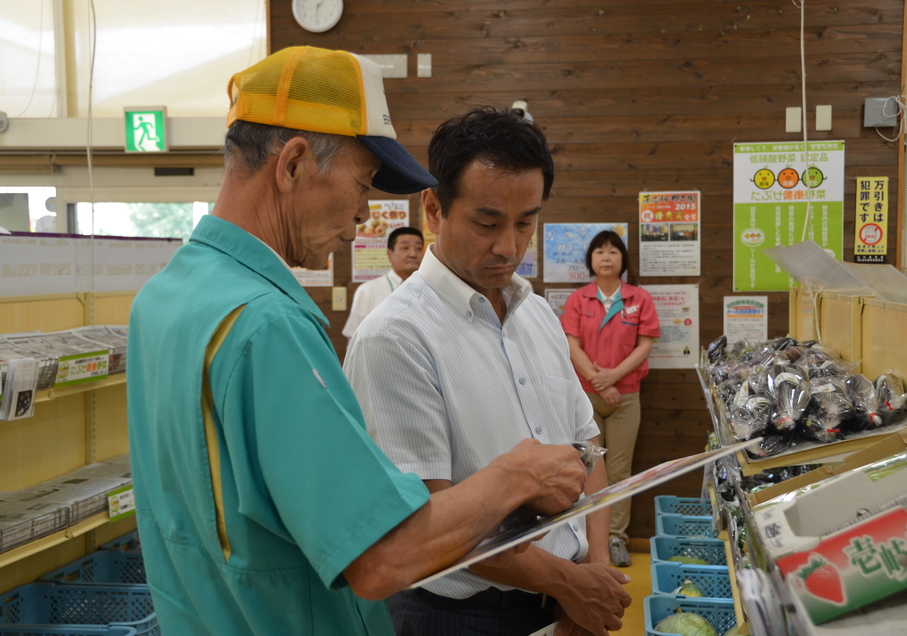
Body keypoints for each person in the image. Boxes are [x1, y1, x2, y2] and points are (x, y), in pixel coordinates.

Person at [126, 48, 589, 636]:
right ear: (293, 164)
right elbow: (381, 557)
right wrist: (517, 476)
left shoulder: (166, 299)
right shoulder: (268, 325)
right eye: (362, 184)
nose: (364, 216)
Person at [344, 107, 632, 636]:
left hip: (565, 599)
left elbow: (587, 449)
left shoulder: (537, 313)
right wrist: (566, 585)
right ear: (434, 207)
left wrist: (590, 573)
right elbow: (423, 525)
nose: (509, 246)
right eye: (487, 221)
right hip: (459, 615)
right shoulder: (395, 337)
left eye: (526, 221)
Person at [558, 230, 661, 567]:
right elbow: (570, 345)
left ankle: (616, 540)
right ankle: (589, 542)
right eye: (599, 251)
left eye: (613, 251)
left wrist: (613, 377)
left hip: (625, 398)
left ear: (622, 260)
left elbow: (645, 345)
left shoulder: (638, 298)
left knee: (619, 471)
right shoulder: (578, 299)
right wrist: (599, 382)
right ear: (590, 260)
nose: (606, 257)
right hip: (584, 399)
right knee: (586, 470)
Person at [342, 227, 424, 340]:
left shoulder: (430, 289)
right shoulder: (368, 291)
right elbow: (353, 337)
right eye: (405, 248)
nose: (413, 254)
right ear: (390, 254)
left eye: (419, 248)